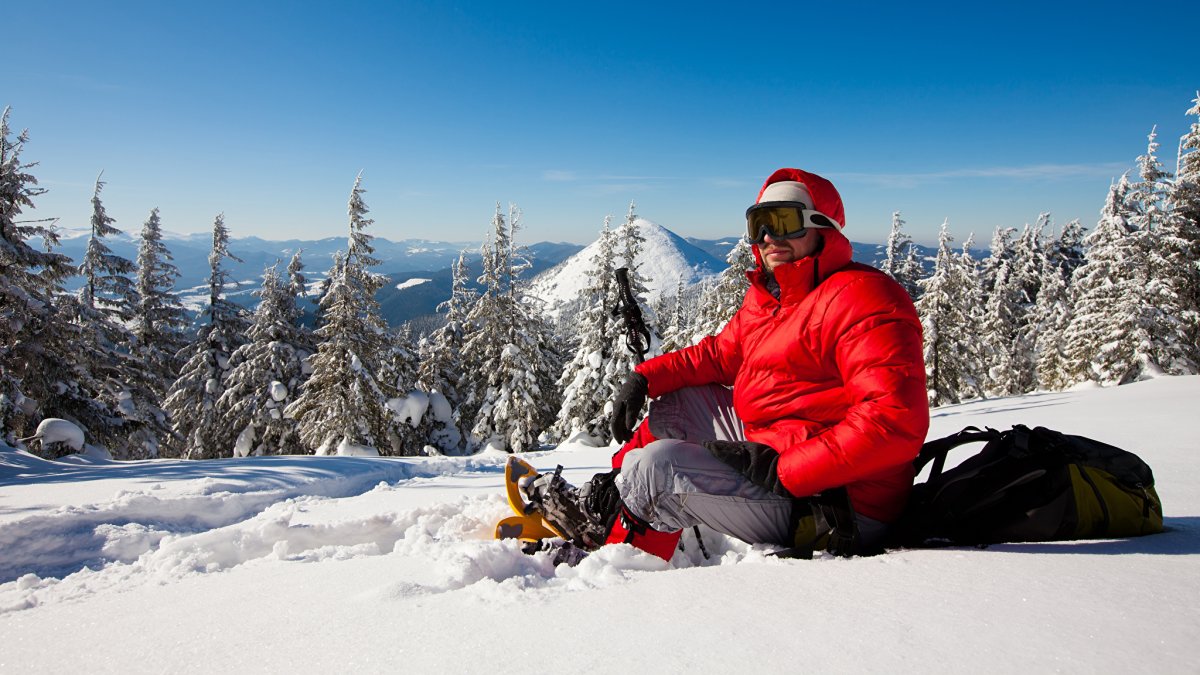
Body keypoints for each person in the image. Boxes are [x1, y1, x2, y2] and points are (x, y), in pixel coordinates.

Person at [587, 167, 930, 561]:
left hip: (835, 503)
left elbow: (894, 421)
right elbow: (718, 355)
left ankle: (615, 575)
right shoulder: (774, 297)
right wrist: (645, 378)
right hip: (774, 447)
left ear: (824, 227)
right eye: (759, 224)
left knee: (657, 472)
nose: (769, 237)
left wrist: (785, 470)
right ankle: (609, 502)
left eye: (784, 221)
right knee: (678, 406)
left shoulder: (865, 298)